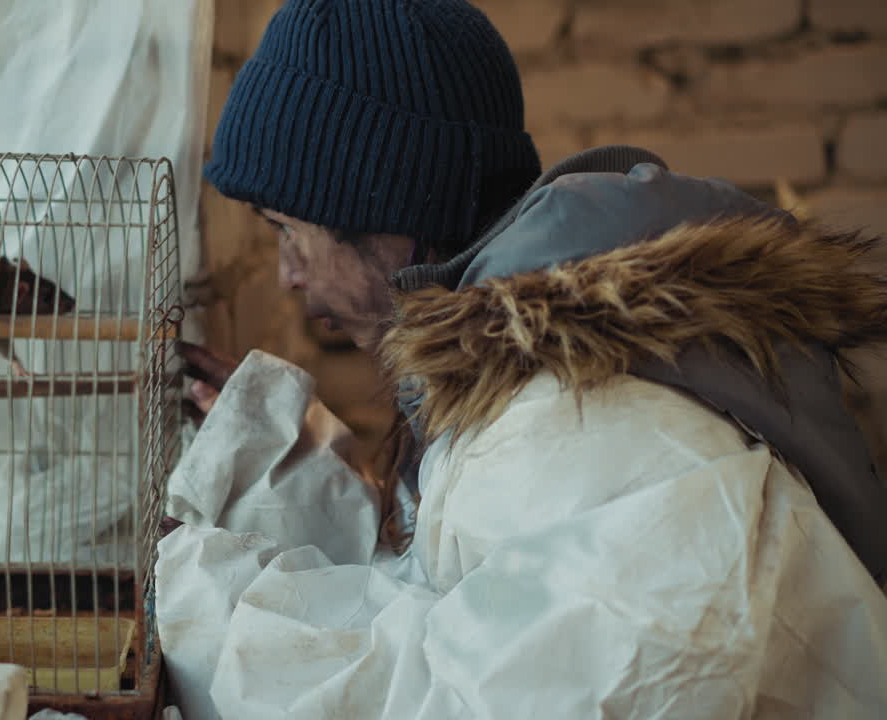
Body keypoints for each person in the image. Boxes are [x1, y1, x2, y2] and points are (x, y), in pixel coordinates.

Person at [155, 1, 887, 718]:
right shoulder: (532, 392)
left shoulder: (583, 418)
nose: (286, 273)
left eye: (289, 231)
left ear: (393, 219)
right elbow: (463, 601)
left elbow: (453, 700)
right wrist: (285, 472)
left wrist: (197, 594)